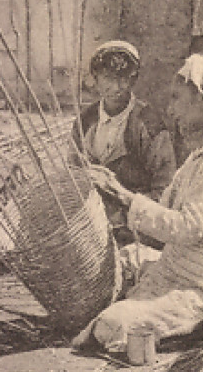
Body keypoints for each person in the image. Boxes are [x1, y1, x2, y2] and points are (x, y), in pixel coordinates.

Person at [73, 54, 203, 353]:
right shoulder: (201, 155)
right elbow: (165, 212)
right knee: (124, 259)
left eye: (177, 99)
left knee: (113, 324)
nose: (171, 110)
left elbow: (186, 228)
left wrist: (122, 195)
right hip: (184, 263)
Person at [73, 41, 176, 233]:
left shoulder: (148, 124)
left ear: (133, 79)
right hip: (90, 223)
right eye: (108, 78)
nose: (116, 87)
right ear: (95, 79)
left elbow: (165, 192)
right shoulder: (85, 121)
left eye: (124, 79)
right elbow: (72, 173)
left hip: (136, 227)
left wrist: (122, 212)